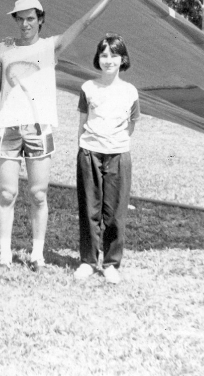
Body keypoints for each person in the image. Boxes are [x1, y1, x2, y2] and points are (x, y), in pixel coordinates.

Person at [0, 0, 131, 269]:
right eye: (20, 19)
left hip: (39, 129)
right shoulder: (3, 48)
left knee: (38, 194)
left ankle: (37, 253)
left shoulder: (51, 46)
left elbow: (85, 21)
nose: (25, 24)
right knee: (6, 193)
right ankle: (4, 253)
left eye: (30, 19)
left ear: (40, 20)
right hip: (8, 128)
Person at [74, 35, 140, 285]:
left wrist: (116, 144)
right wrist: (86, 148)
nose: (108, 60)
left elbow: (131, 125)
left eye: (114, 55)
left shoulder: (130, 91)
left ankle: (111, 263)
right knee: (89, 209)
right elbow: (82, 123)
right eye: (104, 55)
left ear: (122, 59)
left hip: (118, 155)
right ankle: (88, 261)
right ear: (97, 59)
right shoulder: (88, 88)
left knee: (115, 213)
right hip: (90, 153)